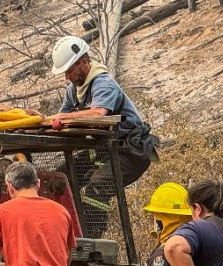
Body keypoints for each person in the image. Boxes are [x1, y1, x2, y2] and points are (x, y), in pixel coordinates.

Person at [47, 35, 159, 237]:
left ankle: (92, 237)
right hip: (104, 152)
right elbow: (59, 117)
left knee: (98, 185)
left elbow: (99, 114)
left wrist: (63, 117)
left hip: (130, 153)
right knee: (60, 179)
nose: (67, 77)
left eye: (70, 71)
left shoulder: (103, 84)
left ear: (83, 62)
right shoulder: (74, 91)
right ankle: (63, 232)